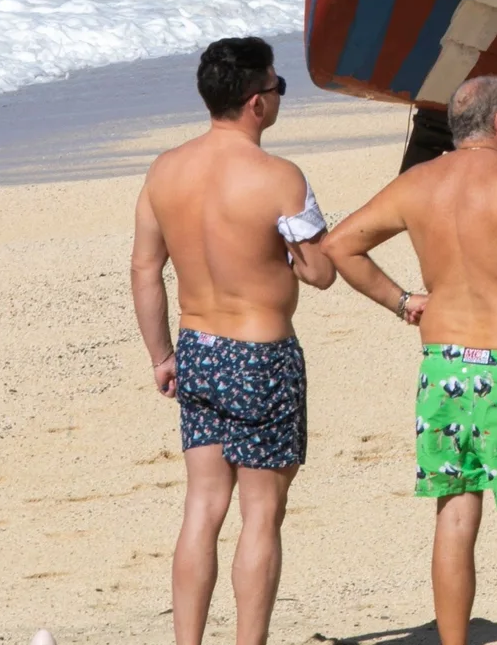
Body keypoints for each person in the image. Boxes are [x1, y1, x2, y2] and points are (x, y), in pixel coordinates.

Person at [323, 76, 497, 645]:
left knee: (454, 515)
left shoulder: (418, 184)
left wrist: (402, 301)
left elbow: (339, 245)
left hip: (445, 368)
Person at [131, 36, 337, 645]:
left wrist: (161, 355)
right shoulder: (279, 178)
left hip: (197, 349)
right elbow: (321, 272)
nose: (278, 96)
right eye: (277, 87)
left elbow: (145, 268)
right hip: (263, 353)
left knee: (201, 509)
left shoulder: (165, 170)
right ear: (255, 103)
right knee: (261, 515)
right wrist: (288, 253)